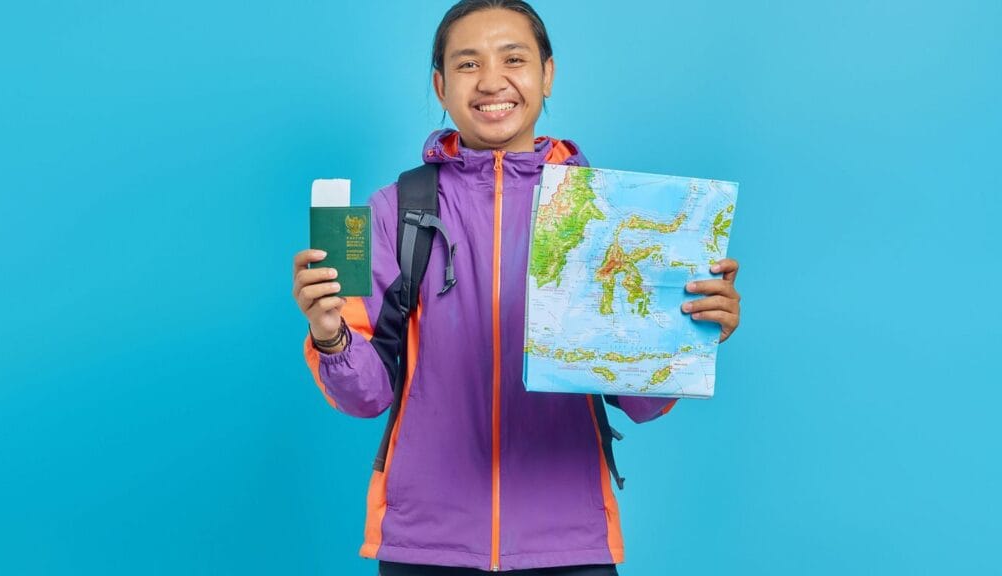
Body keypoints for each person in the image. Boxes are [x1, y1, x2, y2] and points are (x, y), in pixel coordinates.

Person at [291, 1, 742, 574]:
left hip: (569, 542)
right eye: (468, 64)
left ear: (547, 73)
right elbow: (366, 397)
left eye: (514, 59)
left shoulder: (612, 213)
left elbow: (640, 402)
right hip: (426, 543)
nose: (492, 82)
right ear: (441, 84)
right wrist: (330, 335)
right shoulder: (395, 211)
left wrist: (693, 334)